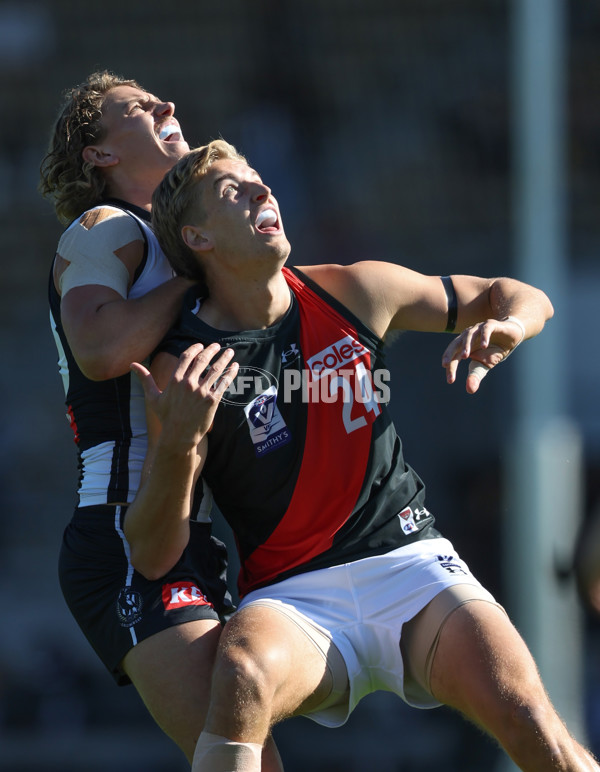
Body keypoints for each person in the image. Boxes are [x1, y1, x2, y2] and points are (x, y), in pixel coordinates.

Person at [126, 139, 598, 772]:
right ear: (198, 238)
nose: (262, 192)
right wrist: (181, 439)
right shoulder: (185, 365)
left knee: (530, 719)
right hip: (295, 599)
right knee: (241, 675)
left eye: (259, 181)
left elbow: (513, 295)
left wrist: (510, 325)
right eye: (232, 191)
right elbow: (153, 553)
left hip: (412, 567)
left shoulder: (355, 291)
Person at [40, 75, 281, 770]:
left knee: (243, 758)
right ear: (99, 156)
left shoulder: (180, 240)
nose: (168, 108)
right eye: (139, 109)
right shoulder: (106, 226)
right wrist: (193, 272)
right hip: (123, 532)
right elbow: (103, 348)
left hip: (186, 532)